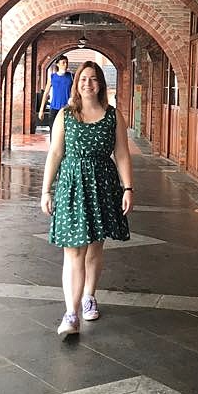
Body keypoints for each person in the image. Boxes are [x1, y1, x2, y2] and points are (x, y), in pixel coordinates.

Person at [40, 61, 134, 338]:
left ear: (100, 84)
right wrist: (46, 190)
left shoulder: (113, 116)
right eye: (83, 79)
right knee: (73, 250)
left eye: (93, 79)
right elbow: (55, 153)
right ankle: (71, 313)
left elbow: (122, 153)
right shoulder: (66, 115)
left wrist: (128, 188)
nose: (88, 84)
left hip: (103, 185)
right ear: (76, 83)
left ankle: (89, 296)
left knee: (94, 248)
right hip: (71, 186)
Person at [38, 55, 73, 136]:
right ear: (58, 64)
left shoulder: (71, 76)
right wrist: (41, 110)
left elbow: (75, 92)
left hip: (67, 109)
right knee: (53, 132)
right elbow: (46, 93)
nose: (65, 65)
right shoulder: (52, 77)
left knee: (67, 132)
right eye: (63, 63)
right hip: (54, 109)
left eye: (66, 63)